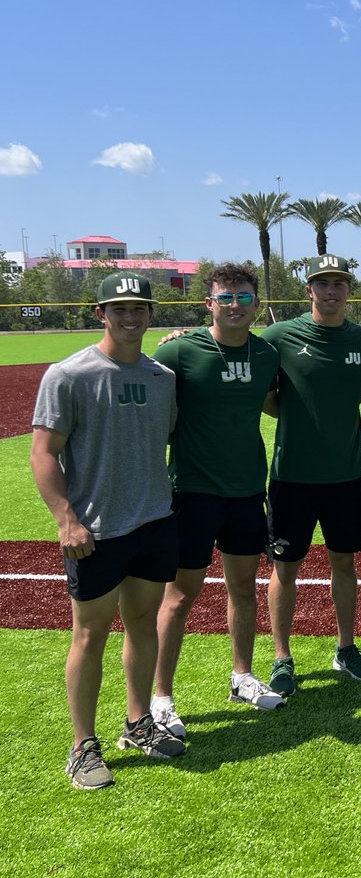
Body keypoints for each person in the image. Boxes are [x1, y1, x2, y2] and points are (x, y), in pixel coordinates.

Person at [31, 272, 186, 790]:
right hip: (95, 531)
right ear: (101, 313)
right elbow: (43, 453)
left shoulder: (162, 377)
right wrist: (66, 519)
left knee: (143, 624)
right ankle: (82, 745)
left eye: (138, 308)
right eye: (119, 309)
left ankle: (137, 722)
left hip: (154, 522)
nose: (129, 317)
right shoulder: (68, 375)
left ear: (149, 315)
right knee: (91, 634)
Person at [149, 263, 285, 739]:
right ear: (209, 303)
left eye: (244, 298)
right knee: (180, 595)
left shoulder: (266, 353)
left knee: (243, 588)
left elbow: (277, 399)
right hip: (192, 489)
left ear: (256, 304)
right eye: (225, 297)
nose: (234, 305)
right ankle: (161, 698)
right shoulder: (180, 351)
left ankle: (241, 676)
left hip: (247, 489)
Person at [260, 254, 361, 695]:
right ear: (309, 290)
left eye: (339, 284)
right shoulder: (279, 335)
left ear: (349, 290)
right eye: (322, 284)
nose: (331, 291)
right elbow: (257, 384)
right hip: (292, 476)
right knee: (284, 569)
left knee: (344, 563)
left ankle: (345, 648)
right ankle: (282, 657)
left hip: (345, 474)